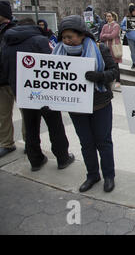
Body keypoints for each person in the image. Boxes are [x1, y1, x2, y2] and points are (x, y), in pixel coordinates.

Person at [53, 15, 119, 193]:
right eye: (64, 37)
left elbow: (113, 71)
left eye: (71, 37)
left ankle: (109, 175)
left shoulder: (99, 48)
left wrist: (100, 77)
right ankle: (92, 175)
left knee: (103, 142)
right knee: (86, 143)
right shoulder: (58, 53)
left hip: (100, 105)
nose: (68, 41)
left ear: (82, 35)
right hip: (76, 107)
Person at [2, 17, 75, 171]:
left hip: (22, 92)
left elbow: (5, 69)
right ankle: (62, 158)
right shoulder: (40, 41)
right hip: (45, 93)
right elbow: (54, 63)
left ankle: (35, 160)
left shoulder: (7, 42)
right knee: (55, 125)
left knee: (30, 127)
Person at [0, 0, 24, 158]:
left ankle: (30, 142)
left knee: (27, 114)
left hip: (17, 78)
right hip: (1, 80)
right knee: (3, 114)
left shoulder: (16, 31)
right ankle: (6, 143)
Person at [100, 11, 122, 88]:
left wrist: (105, 35)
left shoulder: (116, 26)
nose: (108, 18)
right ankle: (109, 80)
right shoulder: (104, 26)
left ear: (113, 17)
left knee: (115, 64)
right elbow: (101, 36)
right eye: (107, 16)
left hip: (114, 47)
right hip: (106, 47)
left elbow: (113, 35)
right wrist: (107, 36)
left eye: (109, 16)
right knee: (107, 63)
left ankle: (118, 80)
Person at [121, 4, 135, 69]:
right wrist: (126, 28)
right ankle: (134, 62)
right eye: (133, 11)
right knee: (132, 51)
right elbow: (122, 26)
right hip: (130, 37)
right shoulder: (126, 18)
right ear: (131, 12)